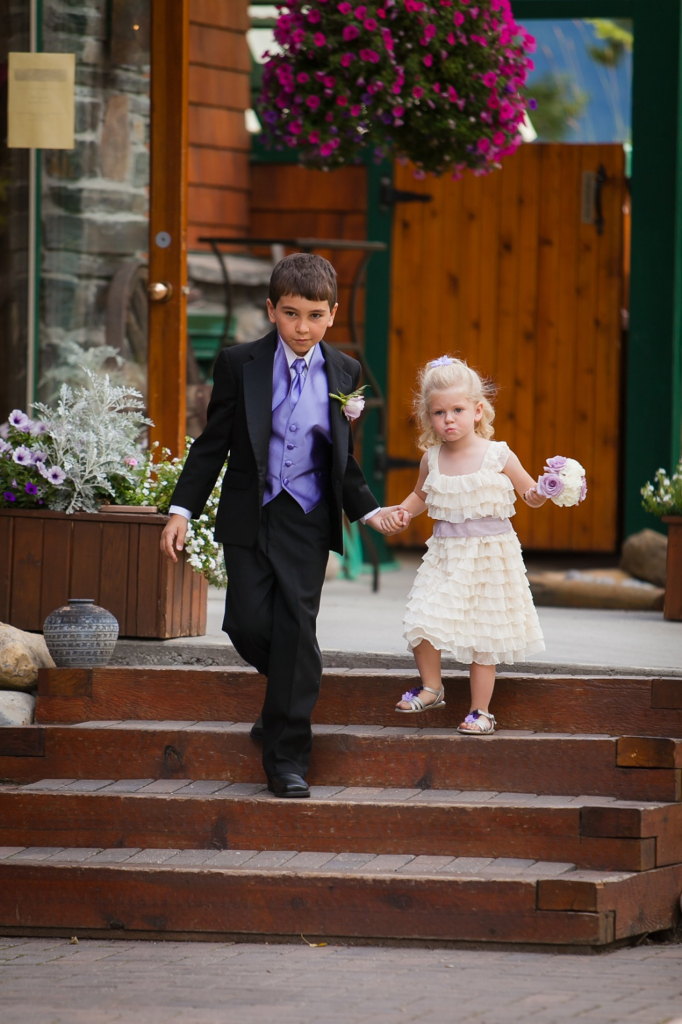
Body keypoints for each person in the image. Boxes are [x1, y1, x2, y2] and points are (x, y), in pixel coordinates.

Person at [160, 253, 395, 796]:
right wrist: (181, 510)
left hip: (308, 516)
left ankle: (287, 758)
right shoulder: (238, 362)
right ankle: (288, 694)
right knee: (244, 623)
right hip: (250, 509)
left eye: (314, 315)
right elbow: (212, 442)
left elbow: (342, 458)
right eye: (291, 314)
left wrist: (368, 509)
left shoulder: (345, 372)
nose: (302, 327)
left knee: (294, 624)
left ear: (332, 314)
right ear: (271, 310)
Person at [379, 356, 546, 734]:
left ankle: (480, 711)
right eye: (438, 412)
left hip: (491, 555)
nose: (448, 419)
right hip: (446, 554)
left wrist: (546, 490)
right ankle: (432, 687)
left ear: (477, 410)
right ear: (428, 417)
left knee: (483, 635)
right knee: (421, 617)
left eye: (457, 409)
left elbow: (529, 493)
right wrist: (401, 514)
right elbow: (419, 497)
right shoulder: (431, 458)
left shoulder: (498, 454)